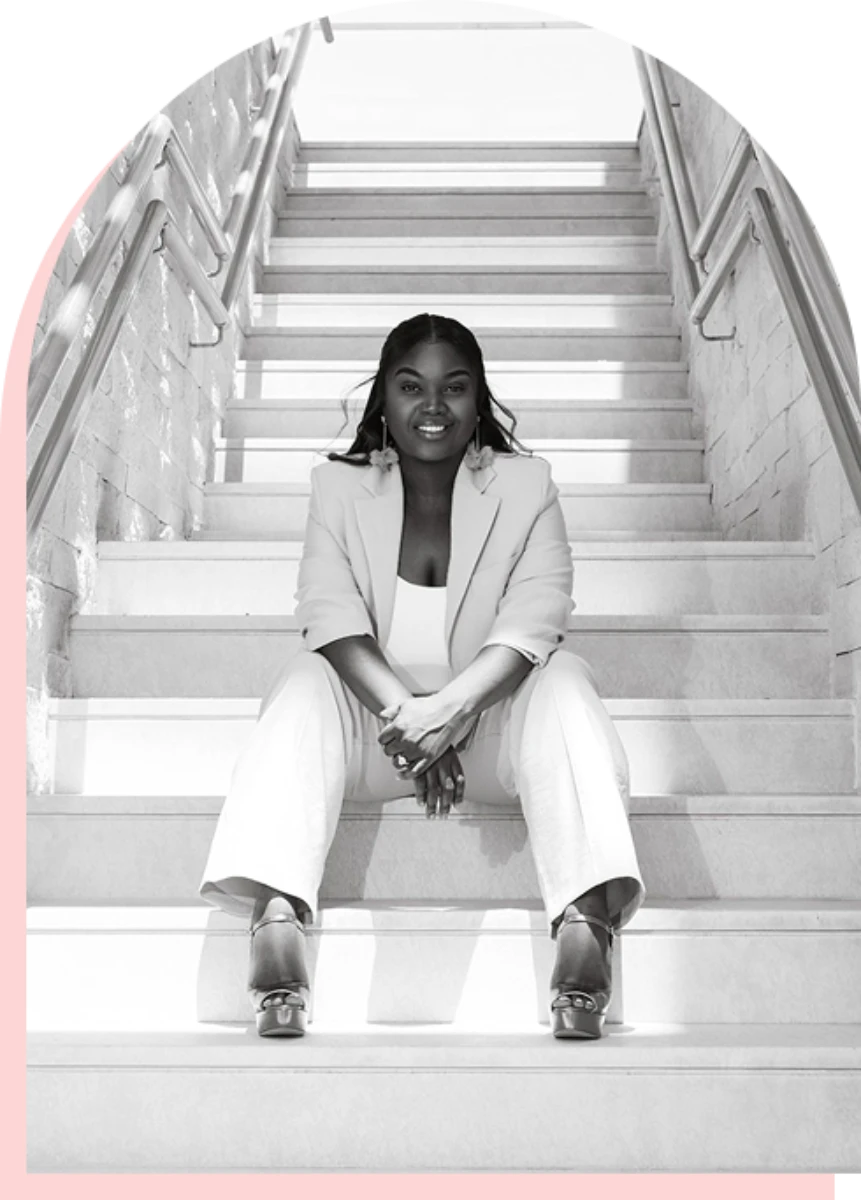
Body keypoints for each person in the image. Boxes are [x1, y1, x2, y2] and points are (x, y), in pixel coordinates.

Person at [199, 313, 645, 1040]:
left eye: (453, 387)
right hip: (380, 740)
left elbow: (538, 615)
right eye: (411, 387)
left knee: (563, 677)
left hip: (492, 740)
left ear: (478, 398)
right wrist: (412, 719)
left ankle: (585, 921)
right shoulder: (337, 489)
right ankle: (277, 916)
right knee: (304, 677)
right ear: (383, 396)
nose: (432, 406)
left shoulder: (527, 486)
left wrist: (452, 712)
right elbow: (327, 613)